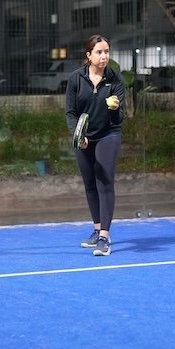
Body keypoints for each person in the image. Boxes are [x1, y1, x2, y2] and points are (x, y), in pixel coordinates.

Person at [65, 34, 125, 256]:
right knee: (90, 183)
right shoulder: (75, 79)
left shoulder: (115, 80)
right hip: (84, 137)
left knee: (104, 181)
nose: (104, 56)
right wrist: (78, 135)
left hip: (109, 134)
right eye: (99, 52)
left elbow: (119, 119)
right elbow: (70, 112)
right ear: (88, 55)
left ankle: (104, 238)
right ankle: (97, 229)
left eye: (106, 51)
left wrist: (114, 108)